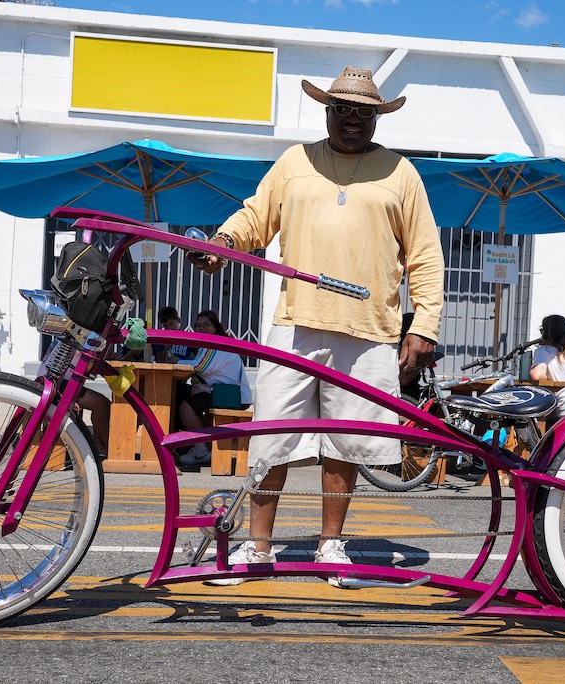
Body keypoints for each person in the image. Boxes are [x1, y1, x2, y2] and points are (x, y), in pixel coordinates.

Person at [189, 66, 445, 583]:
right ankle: (258, 547)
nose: (352, 119)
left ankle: (331, 544)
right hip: (296, 321)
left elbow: (424, 254)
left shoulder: (401, 173)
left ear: (376, 118)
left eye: (364, 112)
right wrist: (223, 243)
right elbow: (254, 216)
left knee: (345, 443)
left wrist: (425, 325)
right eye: (343, 109)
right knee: (272, 438)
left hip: (369, 328)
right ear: (328, 111)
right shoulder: (294, 162)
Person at [175, 310, 253, 466]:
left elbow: (201, 367)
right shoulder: (210, 345)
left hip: (231, 396)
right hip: (218, 392)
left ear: (216, 327)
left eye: (207, 324)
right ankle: (190, 443)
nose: (202, 328)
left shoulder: (218, 345)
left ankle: (200, 452)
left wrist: (177, 362)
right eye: (198, 325)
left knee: (186, 407)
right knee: (177, 395)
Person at [36, 340, 111, 456]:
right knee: (100, 403)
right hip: (57, 383)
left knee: (104, 402)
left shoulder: (74, 334)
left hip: (58, 381)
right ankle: (102, 447)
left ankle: (100, 445)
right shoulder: (84, 338)